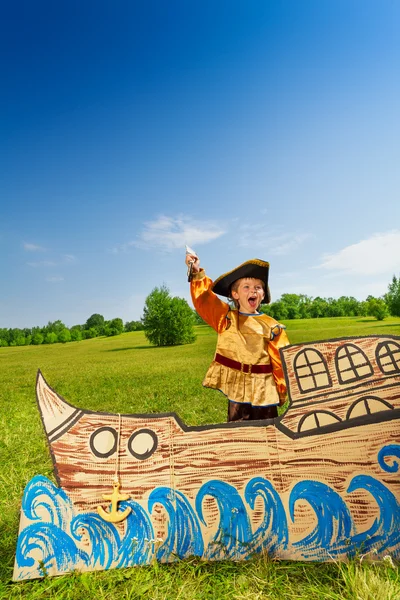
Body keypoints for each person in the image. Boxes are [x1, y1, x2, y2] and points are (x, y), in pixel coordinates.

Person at [185, 252, 290, 422]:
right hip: (238, 388)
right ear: (235, 294)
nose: (253, 290)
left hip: (264, 389)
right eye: (246, 287)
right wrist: (196, 272)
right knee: (237, 435)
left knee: (269, 433)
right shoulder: (225, 318)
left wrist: (282, 389)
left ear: (263, 295)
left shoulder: (273, 327)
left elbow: (281, 361)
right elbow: (204, 300)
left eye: (258, 287)